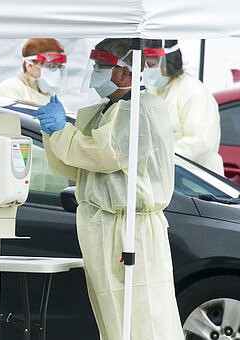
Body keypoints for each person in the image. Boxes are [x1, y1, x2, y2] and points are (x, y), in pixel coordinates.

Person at [36, 39, 184, 340]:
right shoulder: (109, 110)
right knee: (114, 316)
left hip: (132, 229)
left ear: (125, 73)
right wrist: (54, 134)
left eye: (101, 67)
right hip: (104, 226)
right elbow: (75, 165)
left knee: (142, 314)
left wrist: (63, 131)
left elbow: (105, 155)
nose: (95, 73)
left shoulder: (141, 111)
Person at [143, 39, 224, 175]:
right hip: (168, 175)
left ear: (167, 62)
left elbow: (200, 143)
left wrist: (158, 158)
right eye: (144, 65)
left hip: (196, 180)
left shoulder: (193, 91)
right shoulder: (154, 90)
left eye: (150, 65)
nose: (146, 70)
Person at [0, 38, 66, 105]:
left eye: (58, 66)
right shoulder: (10, 88)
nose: (56, 71)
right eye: (50, 66)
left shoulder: (50, 95)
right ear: (29, 66)